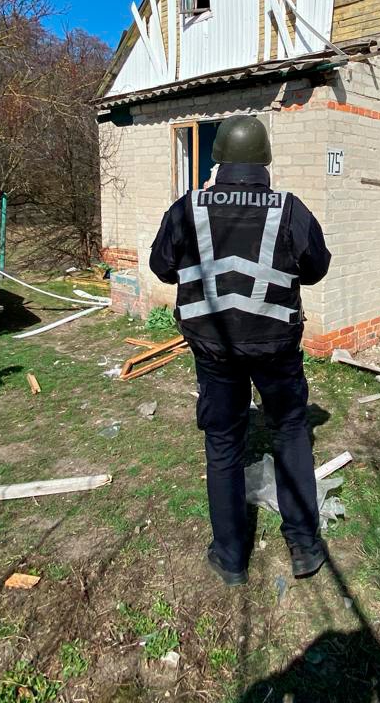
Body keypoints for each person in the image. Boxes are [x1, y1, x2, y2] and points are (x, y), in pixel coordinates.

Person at [150, 114, 332, 586]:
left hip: (215, 352)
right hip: (276, 348)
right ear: (265, 161)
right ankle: (305, 547)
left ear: (219, 160)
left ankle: (231, 557)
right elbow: (316, 268)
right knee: (290, 433)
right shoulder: (288, 209)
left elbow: (161, 268)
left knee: (224, 446)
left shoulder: (187, 209)